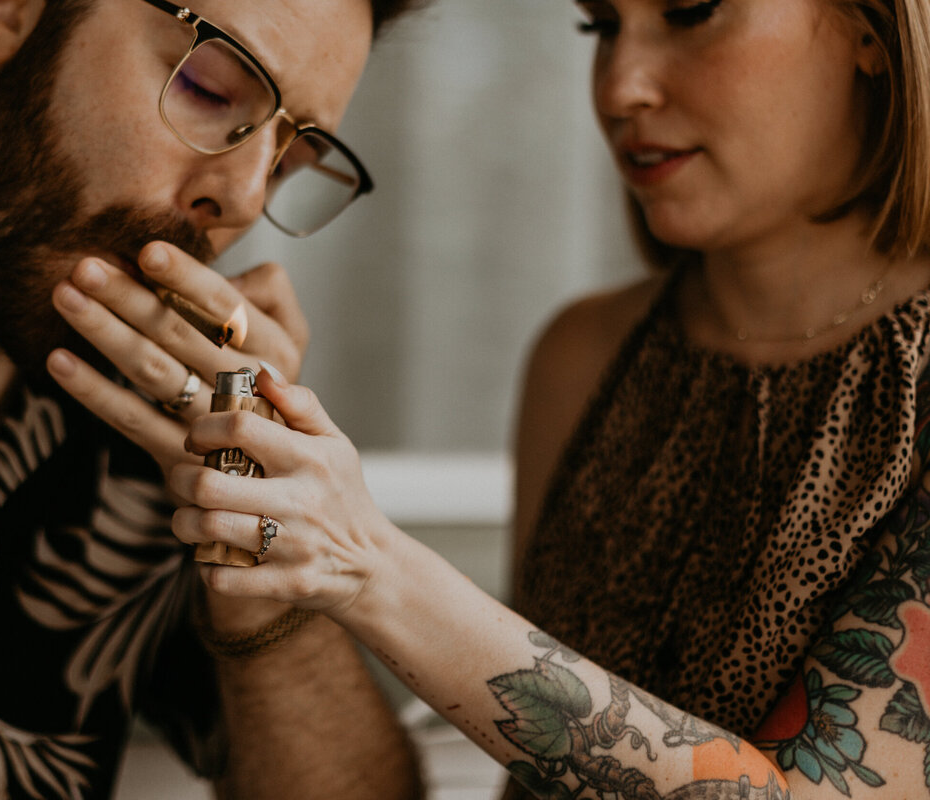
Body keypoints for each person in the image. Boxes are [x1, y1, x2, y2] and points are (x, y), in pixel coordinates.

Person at [54, 0, 930, 796]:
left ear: (871, 30)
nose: (620, 87)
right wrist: (258, 510)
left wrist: (366, 561)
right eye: (601, 27)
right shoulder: (586, 357)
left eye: (691, 12)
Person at [0, 0, 428, 797]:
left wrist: (267, 535)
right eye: (208, 88)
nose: (241, 197)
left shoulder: (179, 442)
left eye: (285, 163)